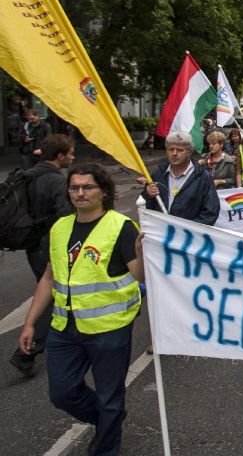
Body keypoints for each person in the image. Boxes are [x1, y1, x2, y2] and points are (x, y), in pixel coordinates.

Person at [18, 164, 144, 455]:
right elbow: (49, 277)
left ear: (103, 191)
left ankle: (106, 445)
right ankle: (108, 420)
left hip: (109, 329)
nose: (80, 193)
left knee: (109, 396)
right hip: (65, 328)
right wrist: (29, 324)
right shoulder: (60, 228)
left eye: (87, 187)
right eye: (74, 187)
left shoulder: (121, 227)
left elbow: (140, 276)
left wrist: (140, 254)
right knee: (61, 393)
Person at [8, 134, 75, 377]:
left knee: (51, 291)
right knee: (52, 296)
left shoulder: (29, 173)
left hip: (30, 242)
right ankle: (26, 353)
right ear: (59, 156)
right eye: (70, 153)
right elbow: (66, 216)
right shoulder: (56, 180)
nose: (72, 157)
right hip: (49, 243)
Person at [142, 131, 220, 225]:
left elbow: (211, 212)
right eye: (171, 149)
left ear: (189, 152)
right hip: (161, 234)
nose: (174, 153)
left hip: (188, 237)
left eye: (180, 150)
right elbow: (143, 206)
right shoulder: (158, 173)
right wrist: (148, 195)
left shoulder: (203, 177)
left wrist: (185, 231)